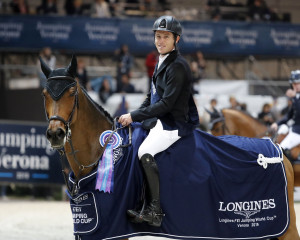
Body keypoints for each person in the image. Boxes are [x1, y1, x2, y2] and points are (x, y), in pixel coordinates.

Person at [118, 15, 200, 227]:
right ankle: (140, 201)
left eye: (165, 37)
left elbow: (166, 104)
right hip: (160, 118)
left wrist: (134, 116)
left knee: (144, 152)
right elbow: (151, 96)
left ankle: (155, 211)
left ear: (176, 39)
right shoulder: (161, 59)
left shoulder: (178, 66)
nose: (160, 41)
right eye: (157, 36)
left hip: (173, 123)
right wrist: (133, 114)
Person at [271, 70, 300, 159]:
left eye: (297, 83)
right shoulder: (296, 97)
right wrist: (277, 123)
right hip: (293, 129)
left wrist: (294, 97)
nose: (295, 86)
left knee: (282, 147)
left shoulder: (295, 97)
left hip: (298, 132)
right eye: (293, 84)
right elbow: (289, 115)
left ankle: (287, 171)